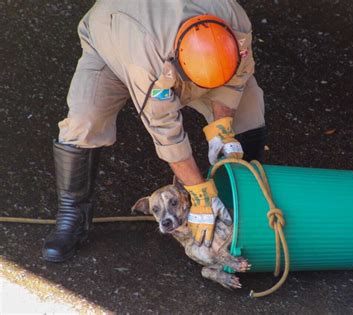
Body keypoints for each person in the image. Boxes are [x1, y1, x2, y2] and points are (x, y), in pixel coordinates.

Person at [42, 0, 266, 262]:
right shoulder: (145, 65)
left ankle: (246, 206)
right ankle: (72, 217)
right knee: (85, 119)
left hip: (181, 52)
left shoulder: (233, 19)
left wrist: (222, 127)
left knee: (248, 107)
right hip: (113, 42)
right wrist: (200, 194)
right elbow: (166, 131)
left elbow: (239, 73)